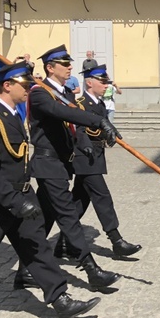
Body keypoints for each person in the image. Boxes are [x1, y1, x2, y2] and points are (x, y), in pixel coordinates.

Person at [0, 62, 100, 318]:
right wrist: (14, 201)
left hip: (22, 198)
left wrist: (23, 198)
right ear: (7, 86)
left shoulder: (12, 115)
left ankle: (61, 301)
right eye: (24, 85)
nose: (28, 89)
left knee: (37, 249)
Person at [28, 44, 121, 292]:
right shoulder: (40, 93)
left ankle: (25, 271)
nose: (70, 67)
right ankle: (91, 269)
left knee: (45, 218)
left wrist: (90, 140)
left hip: (60, 163)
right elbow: (61, 113)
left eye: (70, 63)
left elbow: (73, 129)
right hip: (48, 164)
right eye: (65, 64)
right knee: (68, 216)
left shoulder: (64, 94)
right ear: (50, 68)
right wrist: (98, 120)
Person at [64, 65, 142, 257]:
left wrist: (110, 136)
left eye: (107, 82)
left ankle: (63, 243)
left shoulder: (99, 104)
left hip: (96, 156)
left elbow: (102, 126)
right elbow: (78, 129)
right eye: (103, 81)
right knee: (102, 196)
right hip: (85, 157)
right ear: (89, 83)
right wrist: (85, 144)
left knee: (79, 201)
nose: (106, 85)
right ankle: (116, 240)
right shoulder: (80, 104)